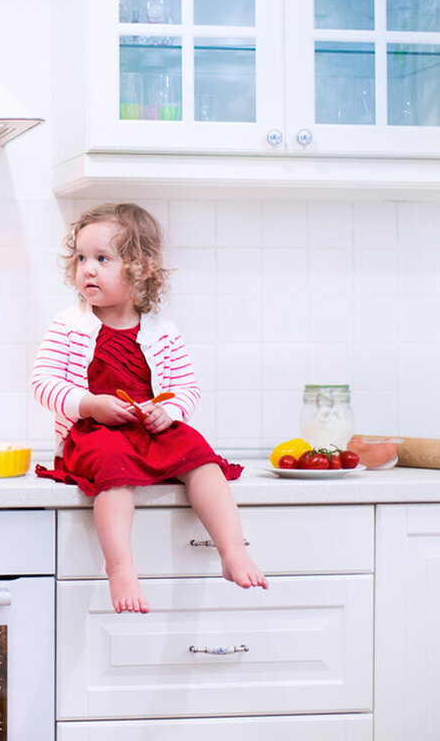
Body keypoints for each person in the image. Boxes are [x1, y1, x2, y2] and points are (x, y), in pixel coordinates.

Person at [31, 202, 267, 614]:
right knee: (113, 466)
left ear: (140, 268)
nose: (87, 269)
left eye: (103, 259)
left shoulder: (162, 330)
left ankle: (232, 550)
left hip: (152, 431)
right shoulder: (67, 325)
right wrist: (88, 404)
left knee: (202, 459)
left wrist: (169, 412)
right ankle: (120, 567)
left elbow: (186, 388)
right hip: (94, 431)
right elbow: (43, 383)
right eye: (82, 258)